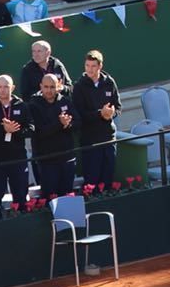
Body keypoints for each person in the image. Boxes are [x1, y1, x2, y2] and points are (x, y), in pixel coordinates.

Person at [0, 75, 31, 220]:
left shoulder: (22, 105)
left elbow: (31, 128)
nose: (3, 90)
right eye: (0, 87)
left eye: (6, 86)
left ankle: (23, 220)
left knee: (21, 195)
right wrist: (2, 131)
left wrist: (15, 131)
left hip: (18, 159)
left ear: (12, 87)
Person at [72, 50, 119, 191]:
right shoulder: (79, 86)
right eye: (87, 65)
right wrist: (100, 114)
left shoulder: (109, 82)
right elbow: (79, 113)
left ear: (100, 66)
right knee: (92, 182)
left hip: (108, 138)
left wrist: (111, 114)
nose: (89, 69)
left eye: (93, 66)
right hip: (90, 140)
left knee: (108, 179)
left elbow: (118, 106)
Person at [27, 74, 75, 201]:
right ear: (41, 87)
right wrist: (60, 124)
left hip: (67, 158)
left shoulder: (65, 101)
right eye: (46, 87)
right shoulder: (34, 105)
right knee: (49, 198)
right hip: (46, 161)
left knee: (68, 197)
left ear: (58, 86)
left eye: (52, 87)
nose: (49, 90)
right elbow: (39, 131)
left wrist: (67, 124)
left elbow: (78, 122)